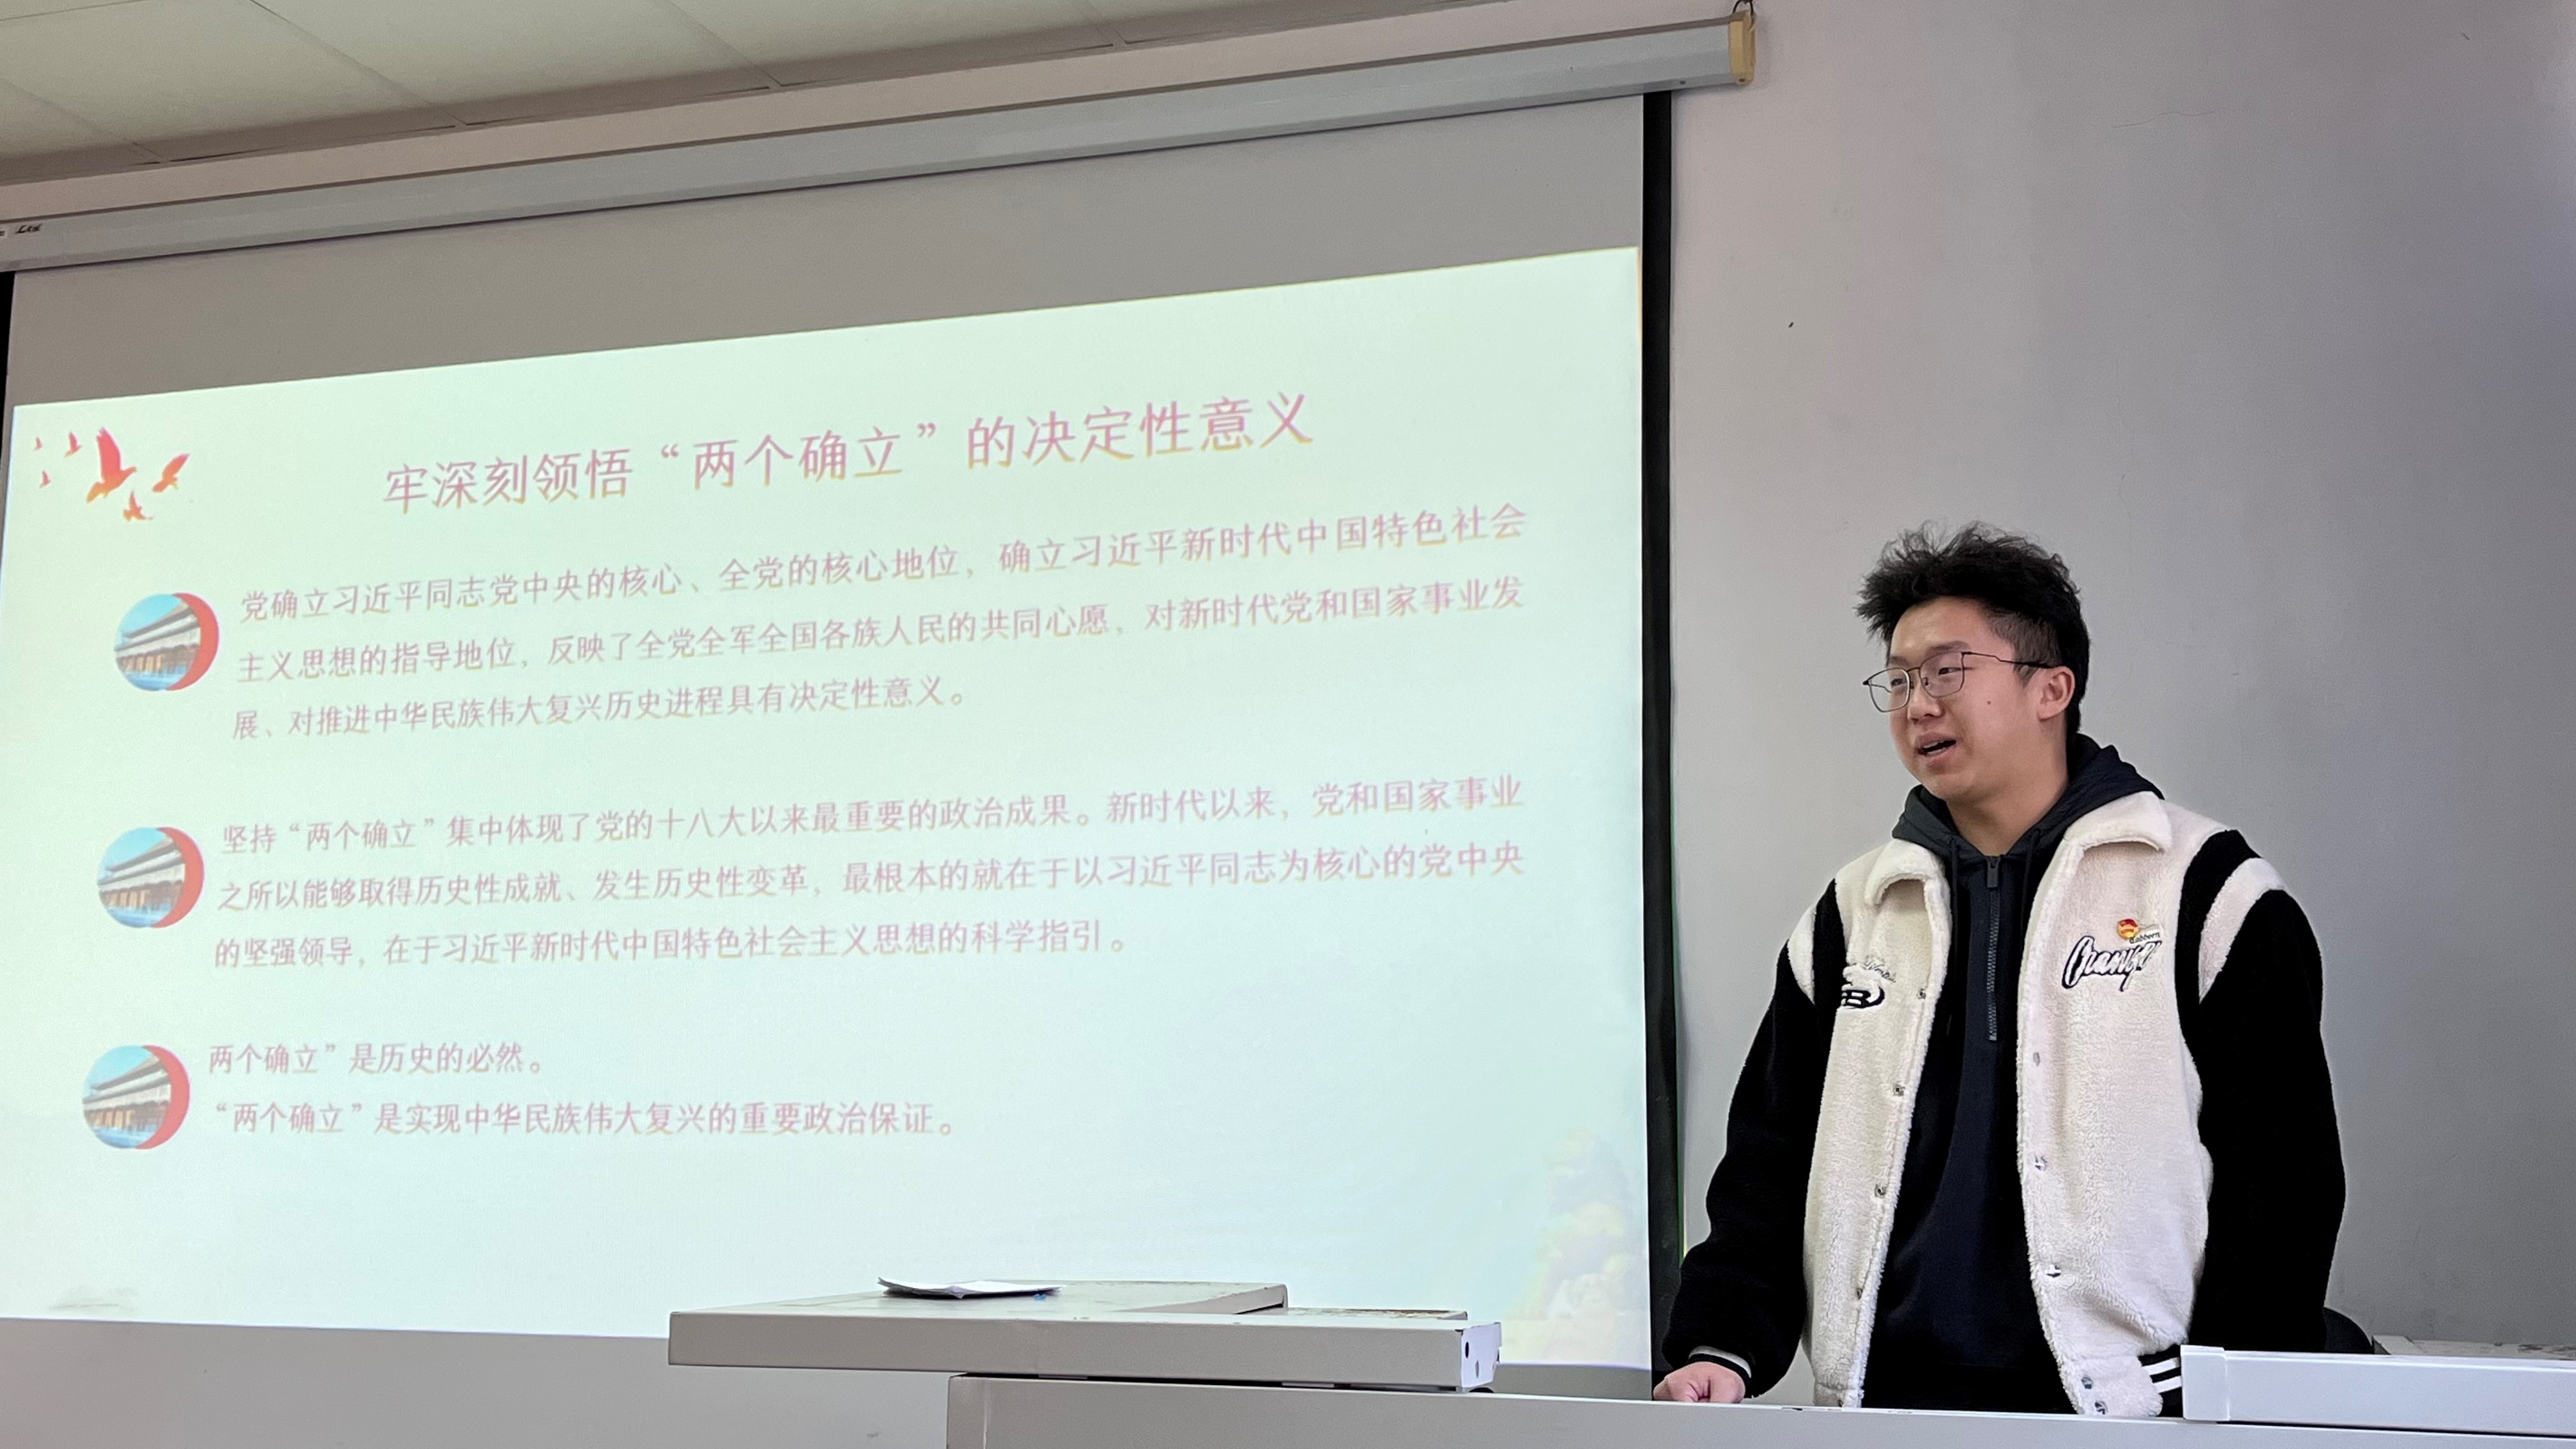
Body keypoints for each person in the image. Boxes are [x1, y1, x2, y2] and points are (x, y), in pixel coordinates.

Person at [1655, 523, 2344, 1417]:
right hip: (1881, 1409)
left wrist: (2224, 1396)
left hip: (2126, 1415)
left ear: (2052, 687)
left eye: (1948, 671)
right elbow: (1767, 1166)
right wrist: (1722, 1345)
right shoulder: (1854, 912)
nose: (1917, 705)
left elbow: (2284, 1188)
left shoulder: (2207, 891)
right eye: (1899, 680)